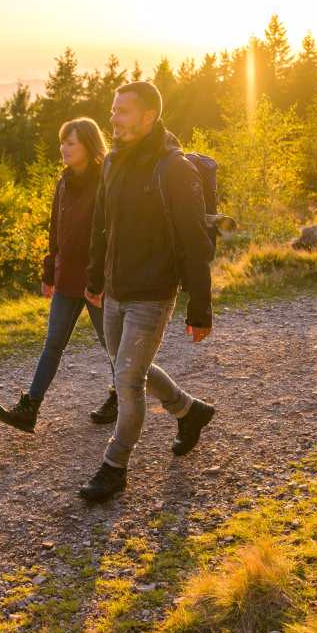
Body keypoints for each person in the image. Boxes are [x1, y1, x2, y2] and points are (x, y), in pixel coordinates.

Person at [78, 81, 217, 503]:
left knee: (128, 378)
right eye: (113, 110)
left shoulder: (173, 169)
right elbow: (103, 225)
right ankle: (189, 411)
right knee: (127, 367)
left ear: (148, 117)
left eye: (122, 111)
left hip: (153, 293)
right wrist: (95, 279)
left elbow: (193, 241)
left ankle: (114, 467)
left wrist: (200, 305)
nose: (113, 118)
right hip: (117, 288)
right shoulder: (113, 161)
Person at [0, 117, 119, 433]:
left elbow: (111, 234)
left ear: (89, 145)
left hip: (96, 281)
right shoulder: (63, 182)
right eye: (62, 142)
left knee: (114, 345)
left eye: (70, 142)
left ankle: (125, 397)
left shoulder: (106, 180)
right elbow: (55, 232)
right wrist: (49, 272)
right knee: (53, 343)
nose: (63, 148)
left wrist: (100, 281)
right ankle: (30, 408)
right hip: (66, 278)